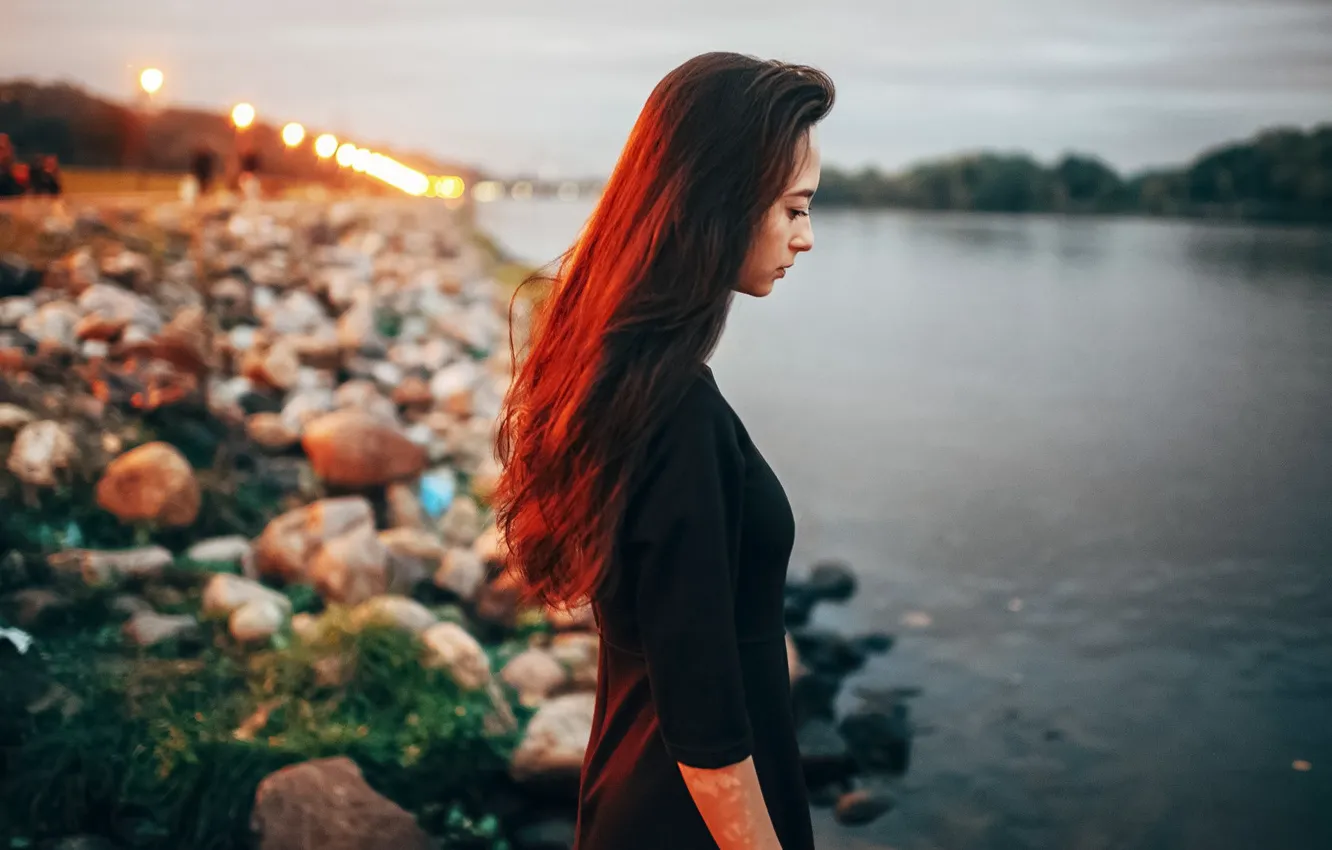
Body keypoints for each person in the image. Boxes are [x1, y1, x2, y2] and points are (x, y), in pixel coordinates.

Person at [490, 52, 832, 850]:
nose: (806, 238)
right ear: (720, 202)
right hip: (690, 826)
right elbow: (705, 724)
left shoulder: (623, 374)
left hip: (634, 788)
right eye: (793, 209)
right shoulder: (677, 415)